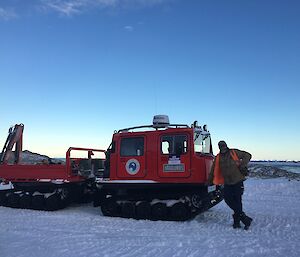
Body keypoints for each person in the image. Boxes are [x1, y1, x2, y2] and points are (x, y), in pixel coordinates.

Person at [208, 141, 253, 230]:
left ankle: (237, 222)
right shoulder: (218, 157)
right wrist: (209, 181)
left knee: (237, 201)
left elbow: (247, 155)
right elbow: (213, 171)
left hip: (238, 181)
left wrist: (242, 165)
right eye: (221, 146)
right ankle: (244, 218)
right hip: (227, 183)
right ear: (219, 147)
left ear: (226, 146)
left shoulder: (233, 152)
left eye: (224, 146)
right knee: (228, 199)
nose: (223, 147)